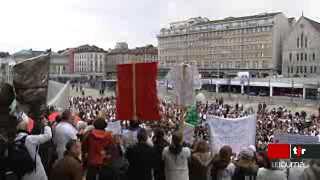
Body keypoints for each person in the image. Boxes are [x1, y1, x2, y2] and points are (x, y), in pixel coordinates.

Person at [15, 116, 52, 180]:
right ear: (27, 129)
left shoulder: (15, 140)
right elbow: (48, 136)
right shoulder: (29, 139)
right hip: (35, 171)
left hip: (23, 172)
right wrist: (46, 125)